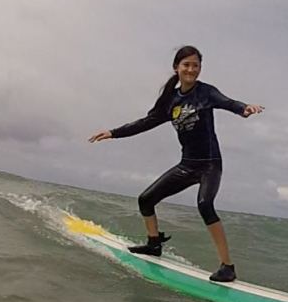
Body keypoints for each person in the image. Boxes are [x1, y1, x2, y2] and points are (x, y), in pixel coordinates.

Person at [88, 45, 264, 282]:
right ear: (177, 68)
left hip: (209, 164)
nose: (191, 69)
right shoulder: (170, 101)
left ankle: (227, 266)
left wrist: (244, 108)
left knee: (205, 204)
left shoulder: (206, 93)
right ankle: (153, 244)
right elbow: (146, 122)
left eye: (196, 65)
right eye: (186, 65)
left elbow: (228, 102)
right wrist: (113, 132)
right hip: (187, 165)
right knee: (146, 199)